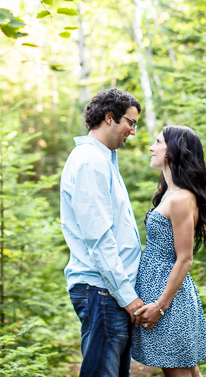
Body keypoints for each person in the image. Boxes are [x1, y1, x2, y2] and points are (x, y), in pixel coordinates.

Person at [60, 88, 145, 377]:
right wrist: (127, 296)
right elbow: (99, 238)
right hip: (103, 291)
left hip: (110, 291)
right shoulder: (89, 162)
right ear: (110, 118)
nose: (132, 131)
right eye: (130, 123)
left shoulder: (104, 159)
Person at [131, 125, 206, 377]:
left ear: (174, 151)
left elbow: (185, 258)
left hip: (169, 298)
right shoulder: (171, 193)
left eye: (158, 142)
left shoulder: (180, 199)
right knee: (190, 372)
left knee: (178, 373)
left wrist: (160, 305)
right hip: (165, 293)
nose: (151, 148)